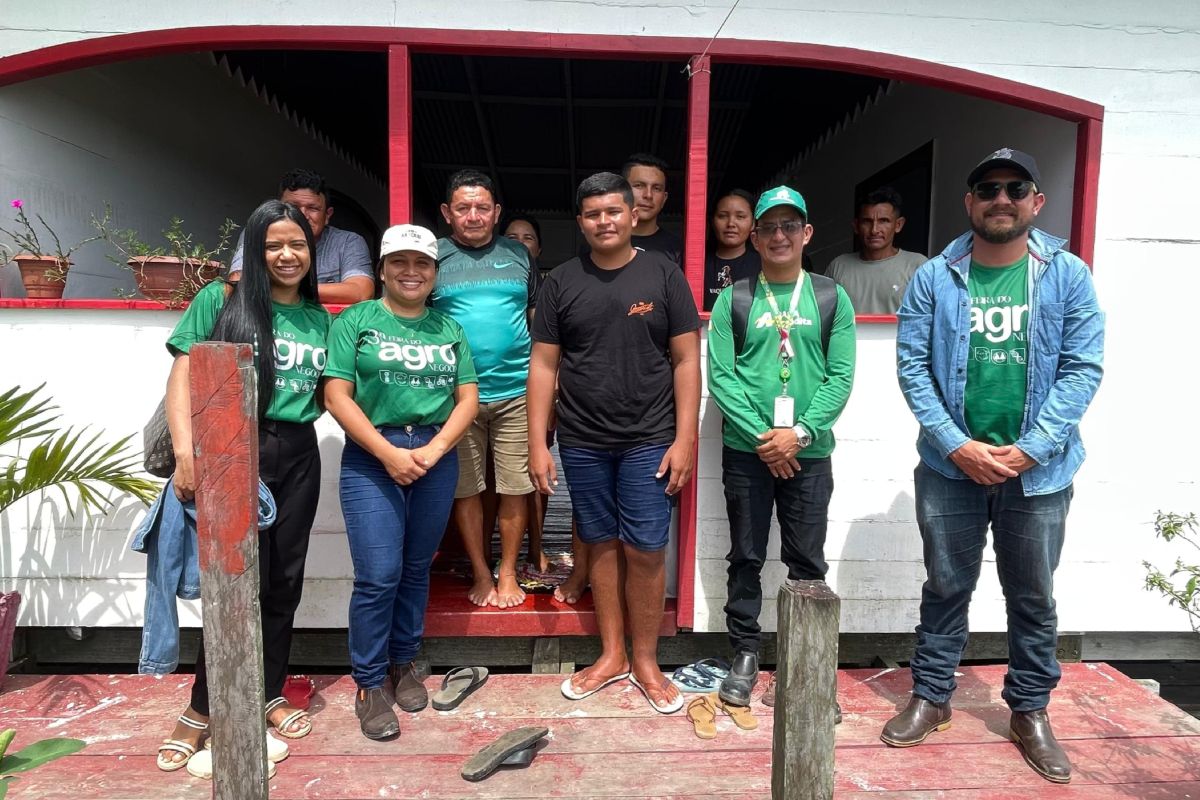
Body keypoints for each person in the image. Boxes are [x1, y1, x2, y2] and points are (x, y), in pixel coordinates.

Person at [885, 148, 1105, 785]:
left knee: (1032, 596)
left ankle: (1029, 711)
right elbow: (912, 369)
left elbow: (1082, 368)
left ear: (1037, 201)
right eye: (987, 189)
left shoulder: (1067, 276)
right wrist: (957, 444)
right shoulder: (935, 277)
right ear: (969, 202)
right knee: (945, 587)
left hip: (1038, 472)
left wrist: (1032, 447)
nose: (1001, 199)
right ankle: (932, 696)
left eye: (1015, 188)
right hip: (950, 467)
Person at [155, 199, 330, 771]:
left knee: (283, 583)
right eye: (273, 245)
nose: (287, 255)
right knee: (232, 583)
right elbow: (182, 373)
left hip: (298, 452)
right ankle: (202, 708)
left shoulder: (318, 317)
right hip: (232, 448)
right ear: (254, 250)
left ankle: (268, 692)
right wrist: (187, 453)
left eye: (297, 244)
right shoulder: (220, 300)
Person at [529, 172, 700, 713]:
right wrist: (538, 443)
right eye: (592, 214)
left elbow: (687, 360)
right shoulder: (560, 282)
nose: (604, 221)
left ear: (633, 214)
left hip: (650, 437)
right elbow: (544, 365)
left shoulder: (664, 274)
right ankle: (611, 655)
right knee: (599, 543)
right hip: (582, 439)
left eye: (613, 211)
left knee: (645, 548)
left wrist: (686, 438)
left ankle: (646, 660)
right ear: (581, 222)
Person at [323, 224, 479, 740]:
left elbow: (468, 398)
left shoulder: (448, 327)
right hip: (373, 454)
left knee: (416, 568)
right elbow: (336, 395)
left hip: (435, 453)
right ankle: (369, 682)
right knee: (378, 575)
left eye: (422, 264)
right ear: (384, 269)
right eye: (400, 262)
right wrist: (388, 453)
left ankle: (403, 661)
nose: (411, 272)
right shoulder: (357, 319)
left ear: (434, 272)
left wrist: (434, 449)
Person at [706, 185, 856, 710]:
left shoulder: (831, 296)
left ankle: (805, 664)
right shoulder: (734, 298)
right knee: (745, 557)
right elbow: (721, 377)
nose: (779, 235)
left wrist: (800, 434)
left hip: (809, 454)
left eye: (789, 226)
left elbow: (841, 376)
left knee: (807, 562)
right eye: (768, 227)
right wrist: (764, 438)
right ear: (754, 237)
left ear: (806, 233)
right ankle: (745, 654)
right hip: (747, 453)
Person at [432, 170, 539, 609]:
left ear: (496, 212)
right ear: (447, 213)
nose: (473, 216)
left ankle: (508, 570)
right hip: (456, 396)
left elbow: (535, 319)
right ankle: (480, 570)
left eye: (481, 207)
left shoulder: (519, 254)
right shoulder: (432, 256)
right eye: (463, 208)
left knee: (515, 486)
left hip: (517, 391)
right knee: (467, 488)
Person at [503, 214, 591, 602]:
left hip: (542, 391)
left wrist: (554, 390)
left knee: (537, 476)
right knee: (500, 480)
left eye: (528, 238)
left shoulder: (552, 287)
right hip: (499, 390)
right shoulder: (498, 286)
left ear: (538, 248)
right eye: (511, 237)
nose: (520, 244)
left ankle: (537, 546)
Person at [229, 168, 375, 304]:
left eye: (313, 208)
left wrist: (288, 287)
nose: (302, 215)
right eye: (293, 207)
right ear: (278, 208)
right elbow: (238, 281)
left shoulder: (348, 242)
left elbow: (362, 291)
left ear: (327, 215)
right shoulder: (258, 232)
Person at [824, 187, 926, 315]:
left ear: (898, 225)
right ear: (856, 226)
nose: (874, 230)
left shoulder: (918, 266)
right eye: (867, 221)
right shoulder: (838, 266)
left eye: (884, 221)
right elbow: (823, 316)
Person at [703, 189, 760, 312]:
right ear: (712, 221)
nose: (731, 224)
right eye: (722, 216)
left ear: (753, 224)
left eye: (740, 217)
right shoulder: (697, 265)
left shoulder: (764, 266)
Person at [622, 153, 684, 266]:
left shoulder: (677, 249)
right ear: (621, 192)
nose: (648, 195)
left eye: (656, 188)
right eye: (639, 185)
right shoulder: (603, 240)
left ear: (664, 198)